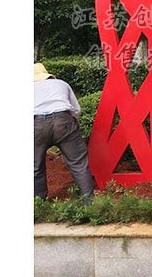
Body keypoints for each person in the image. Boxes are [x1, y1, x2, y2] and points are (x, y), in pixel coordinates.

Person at [34, 63, 94, 201]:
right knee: (78, 164)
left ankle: (39, 204)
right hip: (63, 121)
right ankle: (88, 203)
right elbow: (76, 110)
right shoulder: (61, 84)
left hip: (35, 124)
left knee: (35, 167)